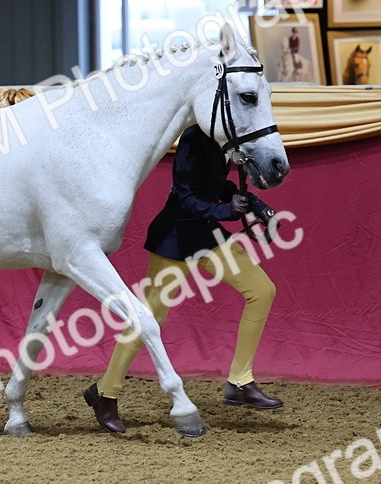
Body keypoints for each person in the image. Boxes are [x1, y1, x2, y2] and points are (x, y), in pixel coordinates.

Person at [83, 124, 283, 435]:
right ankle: (105, 394)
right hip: (175, 239)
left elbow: (217, 187)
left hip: (207, 235)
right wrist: (225, 210)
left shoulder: (223, 141)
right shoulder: (192, 139)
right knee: (150, 317)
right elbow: (186, 195)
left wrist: (254, 205)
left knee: (261, 290)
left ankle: (240, 381)